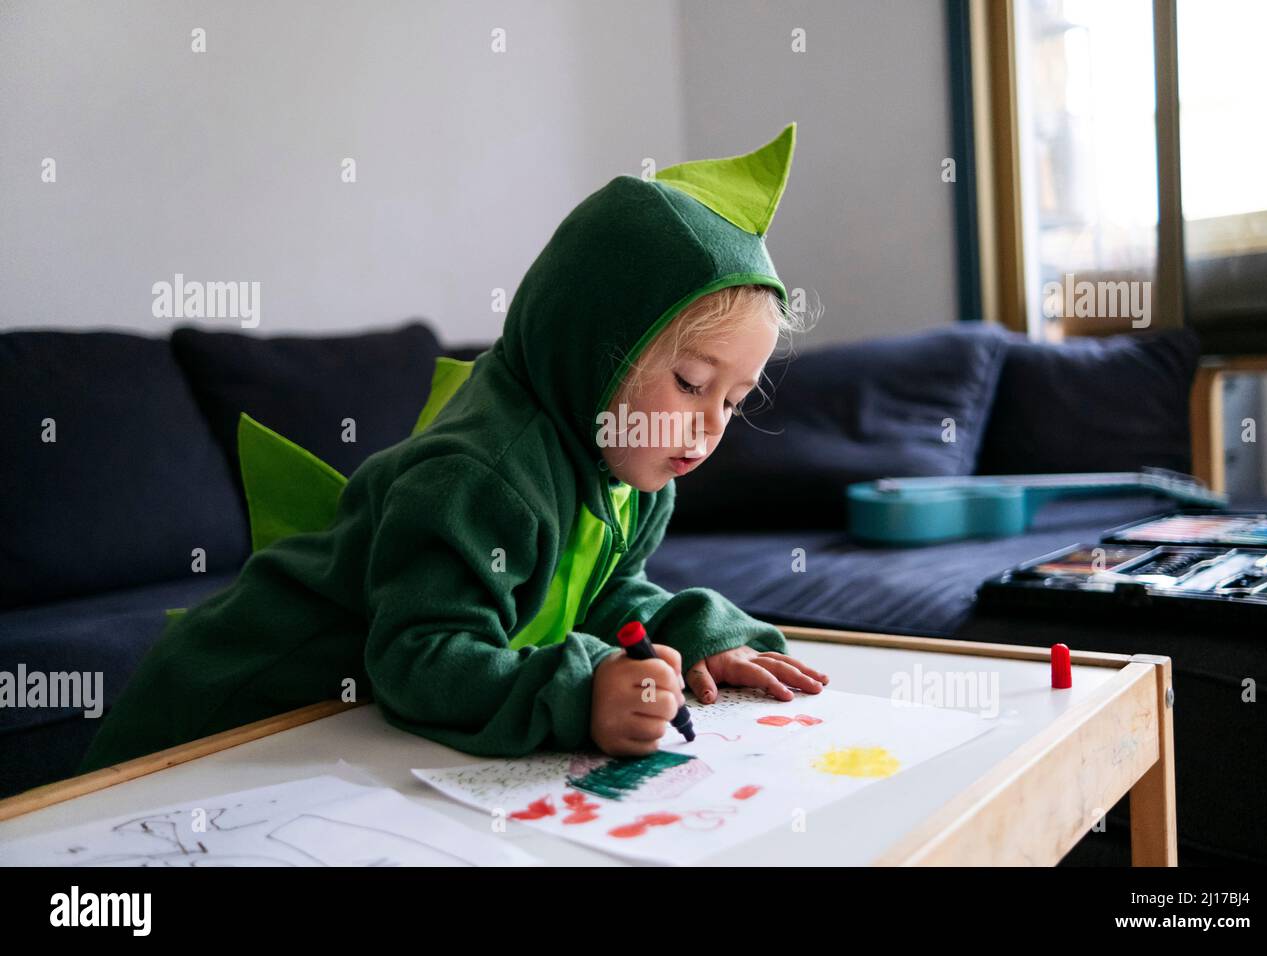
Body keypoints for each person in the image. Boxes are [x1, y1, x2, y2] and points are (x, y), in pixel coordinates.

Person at [78, 121, 828, 772]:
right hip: (225, 717)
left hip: (340, 741)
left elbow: (598, 595)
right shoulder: (480, 476)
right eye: (693, 383)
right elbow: (423, 656)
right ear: (590, 351)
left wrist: (695, 636)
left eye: (735, 399)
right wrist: (578, 692)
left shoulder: (635, 479)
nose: (711, 426)